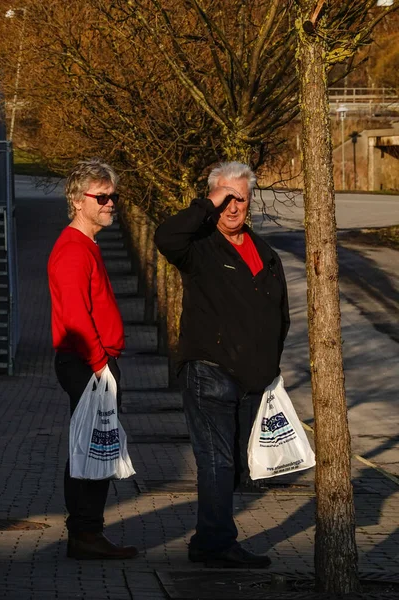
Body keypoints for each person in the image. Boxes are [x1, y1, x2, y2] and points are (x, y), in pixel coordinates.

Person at [155, 161, 290, 568]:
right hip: (208, 369)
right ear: (213, 200)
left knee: (234, 462)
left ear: (251, 202)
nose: (233, 208)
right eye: (225, 199)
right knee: (217, 459)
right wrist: (205, 206)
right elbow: (166, 236)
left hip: (252, 378)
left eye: (241, 199)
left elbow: (280, 313)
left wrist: (271, 367)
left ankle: (208, 539)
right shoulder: (198, 245)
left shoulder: (263, 252)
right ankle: (215, 543)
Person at [48, 158, 138, 560]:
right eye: (101, 197)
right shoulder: (72, 249)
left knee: (95, 445)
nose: (110, 203)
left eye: (113, 196)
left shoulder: (86, 246)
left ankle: (86, 532)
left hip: (93, 364)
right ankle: (84, 534)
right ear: (77, 200)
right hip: (87, 364)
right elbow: (75, 317)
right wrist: (101, 365)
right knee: (92, 447)